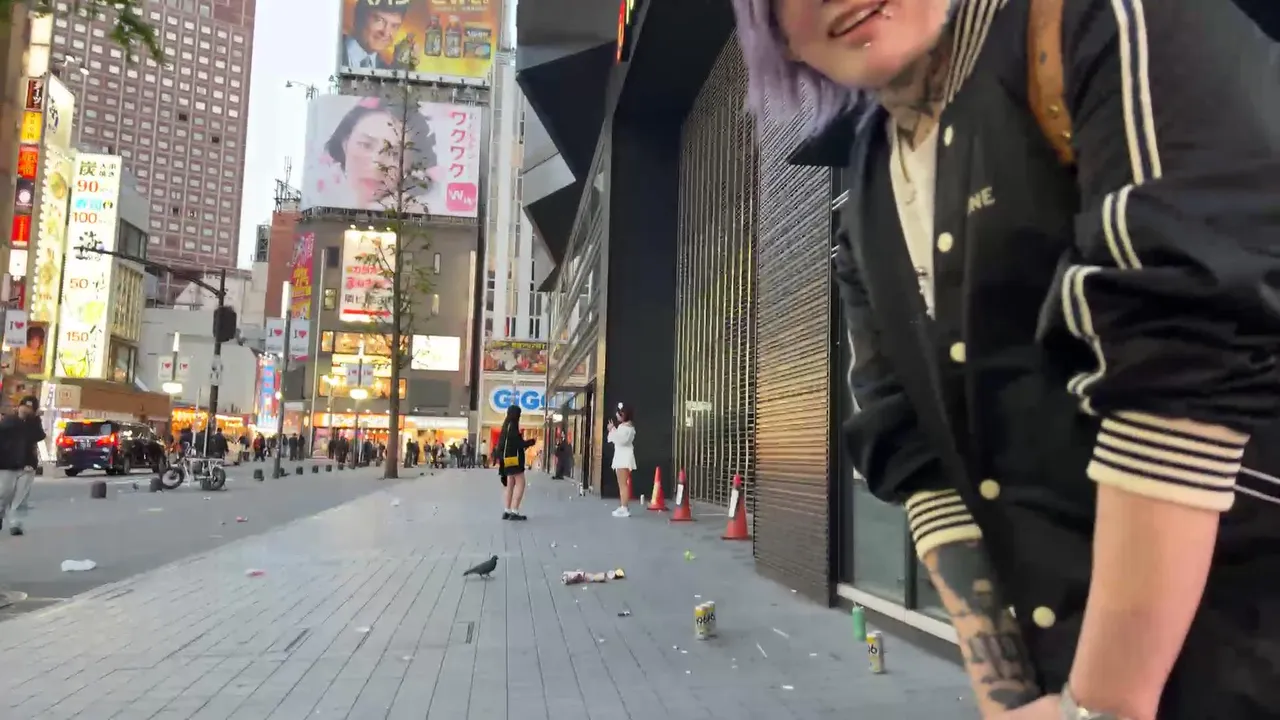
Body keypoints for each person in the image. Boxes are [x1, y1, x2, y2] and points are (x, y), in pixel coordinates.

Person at [729, 1, 1280, 718]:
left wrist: (1103, 701)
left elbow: (1188, 355)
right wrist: (1010, 696)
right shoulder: (868, 182)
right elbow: (910, 444)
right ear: (777, 35)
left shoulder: (1106, 20)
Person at [312, 97, 438, 211]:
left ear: (410, 164)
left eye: (394, 153)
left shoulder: (417, 211)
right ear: (345, 145)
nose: (376, 165)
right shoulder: (322, 203)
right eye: (365, 145)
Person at [0, 396, 45, 536]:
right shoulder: (8, 420)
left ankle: (16, 523)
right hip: (7, 464)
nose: (26, 409)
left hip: (27, 464)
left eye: (30, 408)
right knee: (4, 493)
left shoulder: (34, 423)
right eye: (24, 406)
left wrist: (35, 420)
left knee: (21, 497)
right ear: (19, 406)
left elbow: (39, 436)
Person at [339, 0, 412, 71]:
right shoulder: (333, 50)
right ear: (359, 17)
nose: (386, 33)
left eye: (394, 26)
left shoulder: (387, 70)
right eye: (379, 20)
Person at [496, 406, 536, 521]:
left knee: (510, 485)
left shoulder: (506, 426)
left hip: (507, 460)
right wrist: (531, 442)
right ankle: (514, 511)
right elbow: (518, 444)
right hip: (515, 459)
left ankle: (507, 510)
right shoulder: (513, 426)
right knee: (520, 484)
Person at [606, 404, 636, 518]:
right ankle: (623, 506)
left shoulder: (625, 428)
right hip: (623, 457)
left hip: (623, 458)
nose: (617, 415)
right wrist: (613, 430)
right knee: (622, 484)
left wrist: (612, 430)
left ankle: (624, 507)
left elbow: (620, 441)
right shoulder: (627, 427)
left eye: (619, 413)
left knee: (623, 484)